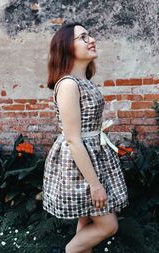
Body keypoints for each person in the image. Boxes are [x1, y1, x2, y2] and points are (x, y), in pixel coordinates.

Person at [42, 22, 129, 253]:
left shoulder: (82, 82)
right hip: (79, 160)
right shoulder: (69, 84)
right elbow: (72, 138)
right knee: (108, 225)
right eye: (82, 37)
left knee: (87, 219)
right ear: (66, 47)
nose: (91, 40)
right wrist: (95, 185)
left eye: (89, 35)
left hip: (93, 153)